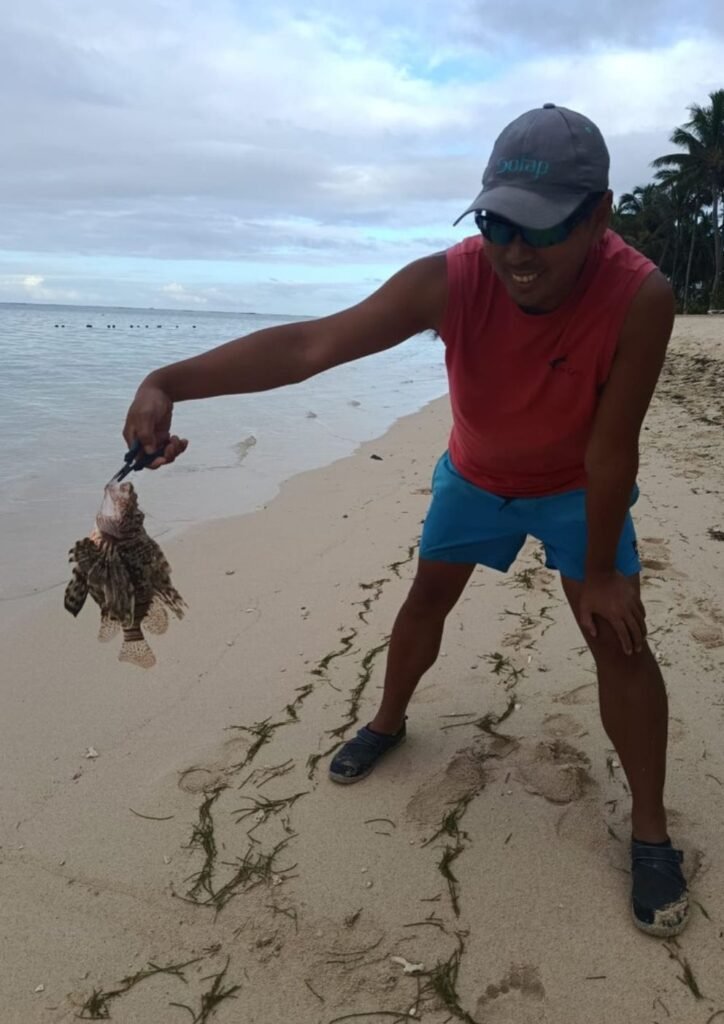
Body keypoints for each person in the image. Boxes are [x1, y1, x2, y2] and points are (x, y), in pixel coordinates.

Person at [123, 104, 688, 937]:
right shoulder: (452, 279)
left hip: (579, 485)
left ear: (598, 216)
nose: (515, 252)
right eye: (496, 223)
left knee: (619, 639)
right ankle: (387, 720)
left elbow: (613, 453)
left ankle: (650, 828)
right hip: (474, 473)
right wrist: (168, 379)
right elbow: (314, 345)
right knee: (426, 599)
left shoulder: (642, 295)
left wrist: (600, 571)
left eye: (542, 230)